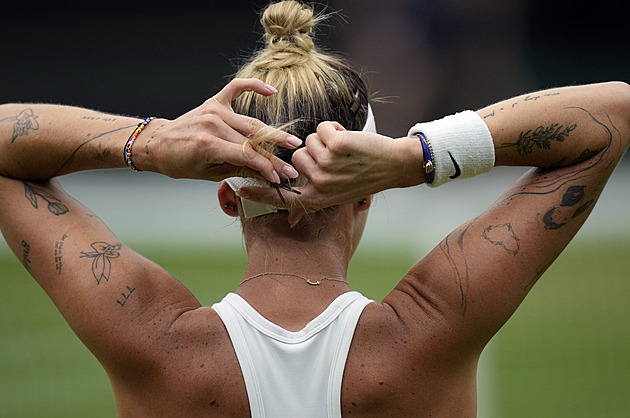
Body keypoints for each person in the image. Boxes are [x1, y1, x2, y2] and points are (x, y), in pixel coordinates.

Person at [0, 1, 628, 416]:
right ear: (366, 191)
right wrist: (416, 156)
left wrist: (151, 144)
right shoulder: (423, 335)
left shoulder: (155, 340)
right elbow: (609, 116)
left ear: (226, 194)